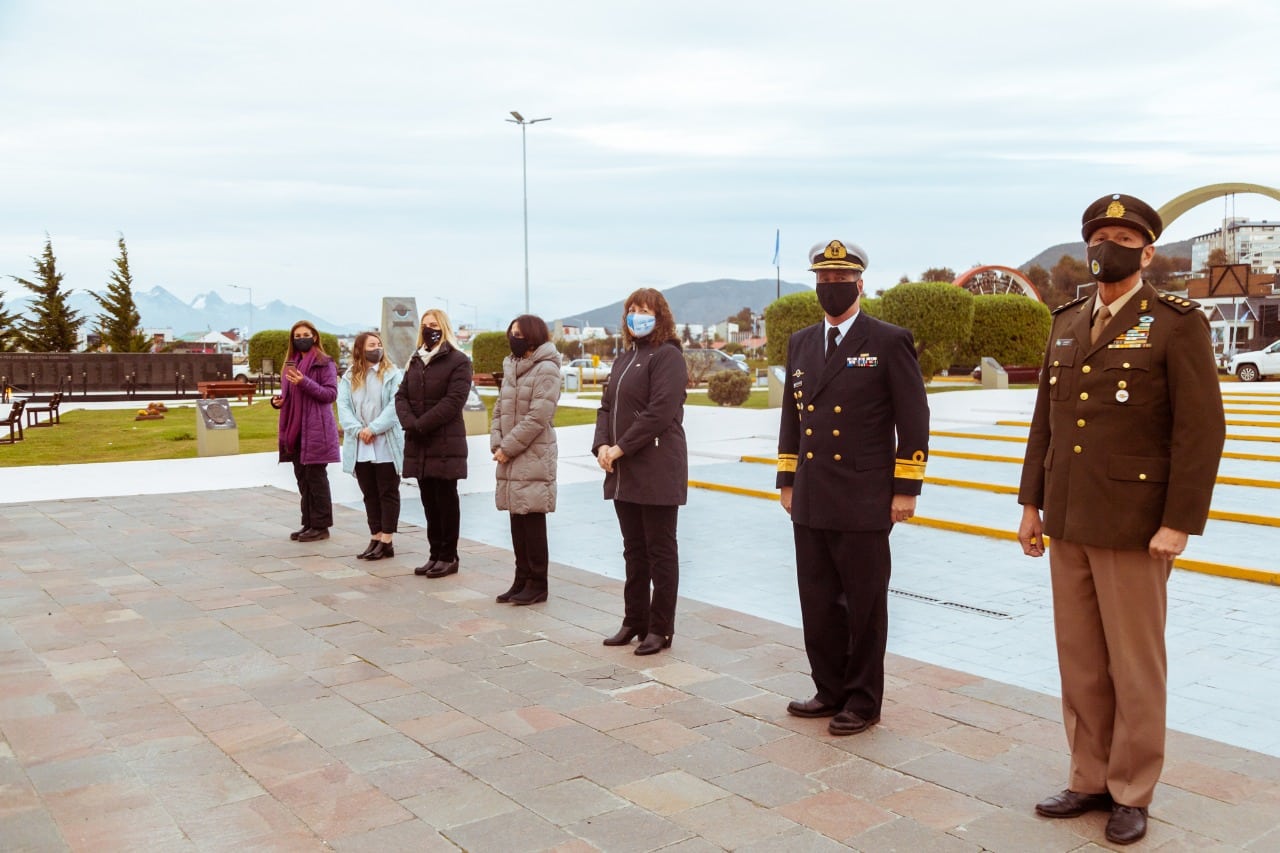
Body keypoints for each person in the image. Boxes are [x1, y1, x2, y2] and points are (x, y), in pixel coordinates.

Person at [1018, 194, 1225, 845]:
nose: (1108, 245)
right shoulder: (1068, 320)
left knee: (1135, 664)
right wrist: (1031, 502)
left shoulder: (1173, 321)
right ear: (1088, 248)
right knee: (1079, 658)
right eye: (1099, 235)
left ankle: (1132, 788)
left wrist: (1179, 521)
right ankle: (1087, 775)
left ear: (1146, 251)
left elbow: (1201, 429)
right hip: (1071, 517)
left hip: (1137, 523)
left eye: (1122, 236)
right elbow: (1045, 423)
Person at [777, 240, 930, 736]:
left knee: (863, 604)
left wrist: (906, 487)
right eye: (822, 280)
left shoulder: (886, 340)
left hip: (865, 496)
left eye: (840, 279)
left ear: (860, 283)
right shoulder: (801, 342)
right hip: (814, 494)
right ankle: (829, 689)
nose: (830, 287)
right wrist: (787, 479)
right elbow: (791, 418)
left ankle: (863, 699)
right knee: (817, 599)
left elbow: (914, 417)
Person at [593, 288, 688, 655]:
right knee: (634, 550)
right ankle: (635, 620)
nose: (637, 316)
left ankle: (661, 628)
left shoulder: (668, 357)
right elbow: (605, 408)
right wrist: (602, 445)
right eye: (632, 310)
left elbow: (660, 411)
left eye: (645, 310)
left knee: (660, 551)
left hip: (657, 468)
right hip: (624, 471)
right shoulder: (623, 359)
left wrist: (620, 447)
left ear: (659, 316)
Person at [491, 314, 562, 605]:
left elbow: (538, 416)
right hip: (509, 454)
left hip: (533, 454)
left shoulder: (546, 369)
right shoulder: (512, 366)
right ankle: (521, 579)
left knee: (532, 519)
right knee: (516, 519)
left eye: (518, 333)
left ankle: (538, 583)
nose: (513, 337)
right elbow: (499, 408)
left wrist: (508, 446)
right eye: (511, 332)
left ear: (532, 335)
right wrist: (497, 441)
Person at [396, 308, 471, 578]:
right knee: (428, 500)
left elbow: (453, 401)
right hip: (420, 443)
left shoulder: (458, 360)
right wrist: (410, 423)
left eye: (435, 324)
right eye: (426, 325)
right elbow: (401, 395)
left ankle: (449, 556)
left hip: (444, 442)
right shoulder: (415, 360)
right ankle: (434, 553)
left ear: (445, 327)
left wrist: (422, 424)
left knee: (445, 500)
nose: (430, 329)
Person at [337, 330, 405, 561]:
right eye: (371, 345)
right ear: (360, 349)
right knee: (369, 493)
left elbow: (395, 406)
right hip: (361, 444)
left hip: (385, 441)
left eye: (379, 344)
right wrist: (358, 430)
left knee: (387, 491)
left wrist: (373, 428)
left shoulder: (392, 374)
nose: (376, 349)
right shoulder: (349, 377)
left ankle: (387, 540)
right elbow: (344, 407)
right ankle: (375, 536)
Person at [271, 320, 340, 542]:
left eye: (305, 334)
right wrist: (279, 401)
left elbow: (329, 394)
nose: (301, 338)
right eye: (297, 335)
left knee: (316, 478)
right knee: (302, 478)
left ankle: (321, 526)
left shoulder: (324, 363)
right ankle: (308, 522)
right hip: (295, 428)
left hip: (316, 429)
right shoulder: (291, 363)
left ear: (315, 337)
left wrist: (304, 382)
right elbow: (290, 395)